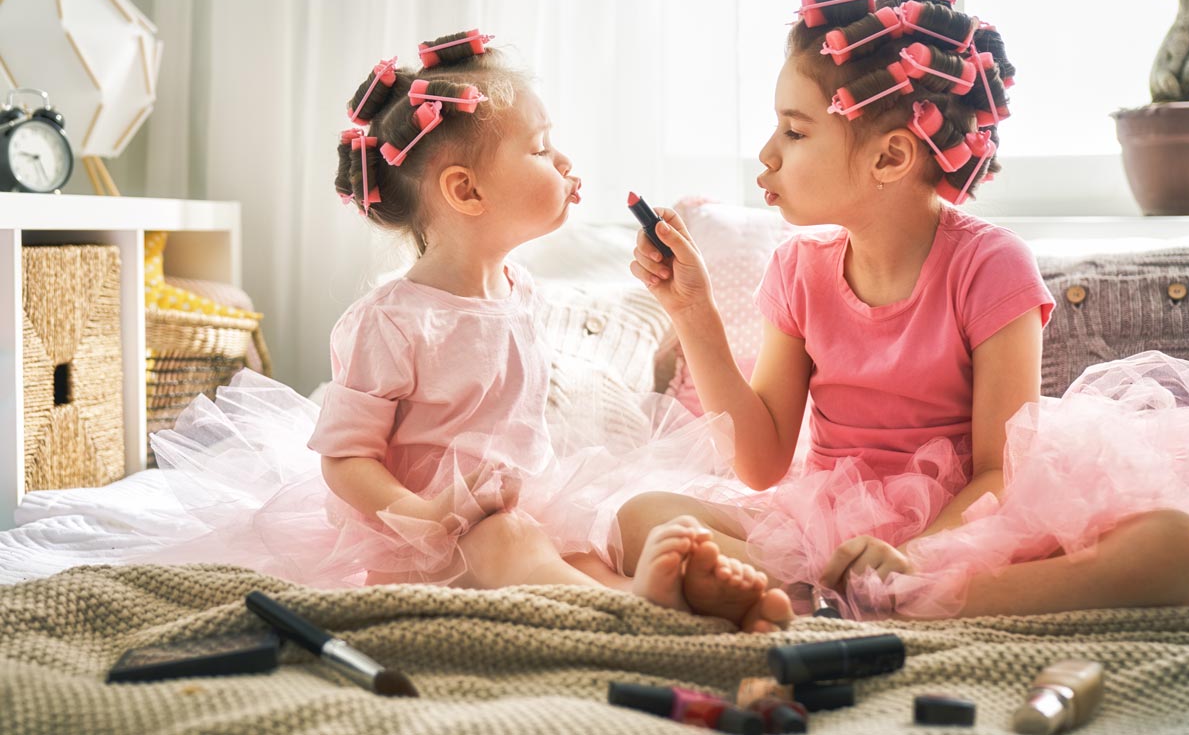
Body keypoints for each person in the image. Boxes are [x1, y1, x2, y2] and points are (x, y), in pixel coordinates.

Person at [151, 31, 793, 633]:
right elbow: (346, 460)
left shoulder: (521, 290)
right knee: (512, 544)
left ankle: (656, 587)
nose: (564, 160)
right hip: (433, 544)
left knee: (603, 529)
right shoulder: (393, 320)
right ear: (466, 191)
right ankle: (627, 608)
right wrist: (426, 517)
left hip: (519, 509)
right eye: (541, 149)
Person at [617, 0, 1189, 620]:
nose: (767, 152)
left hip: (969, 520)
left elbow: (1000, 473)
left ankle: (945, 596)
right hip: (829, 526)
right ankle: (841, 591)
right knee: (642, 517)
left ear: (890, 158)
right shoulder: (797, 271)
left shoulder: (990, 265)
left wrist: (917, 557)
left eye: (795, 131)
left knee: (1178, 544)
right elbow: (760, 461)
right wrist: (690, 310)